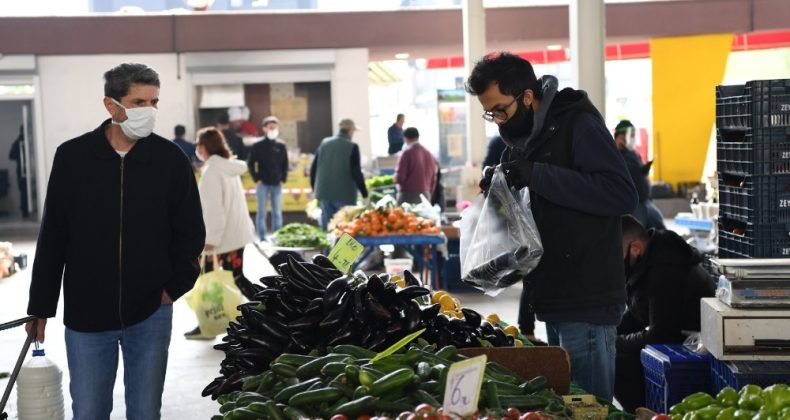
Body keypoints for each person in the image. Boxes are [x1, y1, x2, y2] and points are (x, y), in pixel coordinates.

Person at [26, 63, 205, 420]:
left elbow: (190, 231)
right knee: (90, 411)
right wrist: (41, 306)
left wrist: (174, 287)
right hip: (87, 314)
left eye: (154, 102)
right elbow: (54, 236)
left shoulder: (170, 160)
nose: (149, 111)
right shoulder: (73, 157)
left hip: (151, 311)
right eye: (139, 102)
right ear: (111, 105)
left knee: (144, 412)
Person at [468, 52, 637, 402]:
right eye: (490, 113)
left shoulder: (577, 124)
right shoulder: (525, 138)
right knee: (570, 403)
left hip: (587, 298)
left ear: (527, 97)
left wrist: (537, 175)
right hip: (554, 295)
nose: (497, 120)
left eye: (501, 109)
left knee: (589, 405)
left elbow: (620, 194)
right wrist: (500, 188)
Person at [614, 215, 716, 412]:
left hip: (694, 348)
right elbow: (639, 313)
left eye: (616, 255)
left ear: (635, 248)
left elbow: (661, 334)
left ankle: (646, 413)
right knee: (615, 349)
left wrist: (614, 341)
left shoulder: (665, 269)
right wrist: (610, 332)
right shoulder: (651, 258)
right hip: (677, 335)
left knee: (619, 362)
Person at [185, 127, 258, 339]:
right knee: (235, 277)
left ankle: (208, 325)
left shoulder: (212, 172)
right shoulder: (229, 168)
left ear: (204, 147)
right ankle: (264, 312)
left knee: (212, 281)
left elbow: (215, 210)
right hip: (236, 235)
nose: (197, 148)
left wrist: (210, 240)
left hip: (220, 239)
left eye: (198, 144)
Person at [311, 118, 368, 230]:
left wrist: (315, 188)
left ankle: (329, 248)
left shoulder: (324, 143)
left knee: (328, 227)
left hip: (324, 192)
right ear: (350, 130)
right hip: (344, 194)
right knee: (344, 228)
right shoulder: (352, 146)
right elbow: (356, 172)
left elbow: (314, 167)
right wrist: (364, 193)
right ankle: (341, 248)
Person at [614, 120, 665, 230]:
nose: (633, 138)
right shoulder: (614, 155)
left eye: (634, 135)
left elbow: (639, 171)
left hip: (645, 201)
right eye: (630, 135)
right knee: (637, 233)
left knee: (660, 229)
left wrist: (645, 168)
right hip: (632, 205)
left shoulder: (633, 153)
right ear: (621, 136)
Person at [247, 116, 289, 241]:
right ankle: (262, 237)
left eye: (275, 127)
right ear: (264, 129)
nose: (273, 130)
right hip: (262, 183)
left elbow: (285, 164)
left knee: (277, 212)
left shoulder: (281, 145)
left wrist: (283, 179)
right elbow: (250, 163)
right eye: (270, 127)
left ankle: (277, 236)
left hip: (277, 183)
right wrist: (256, 178)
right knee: (262, 212)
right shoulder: (258, 145)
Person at [395, 127, 437, 205]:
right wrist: (429, 192)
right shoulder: (428, 153)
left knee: (406, 217)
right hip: (426, 195)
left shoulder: (407, 153)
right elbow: (433, 177)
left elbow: (400, 177)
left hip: (408, 196)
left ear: (405, 138)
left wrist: (395, 180)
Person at [8, 125, 29, 218]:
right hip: (22, 171)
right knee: (24, 191)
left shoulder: (30, 140)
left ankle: (26, 211)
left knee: (26, 191)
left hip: (29, 170)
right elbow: (11, 156)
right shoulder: (18, 143)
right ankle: (25, 211)